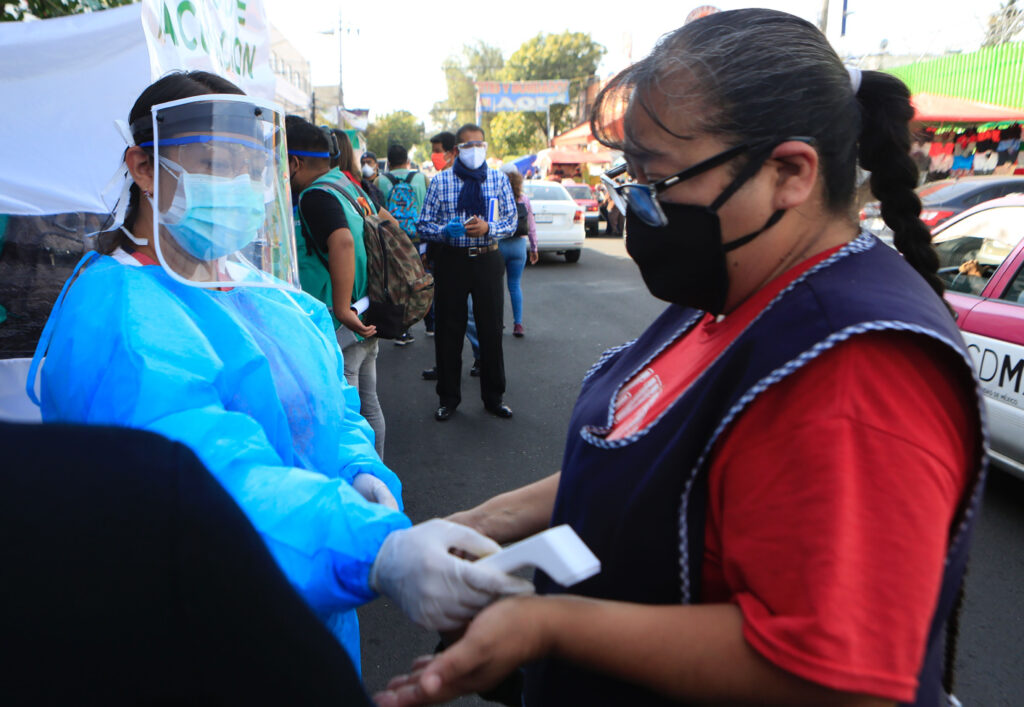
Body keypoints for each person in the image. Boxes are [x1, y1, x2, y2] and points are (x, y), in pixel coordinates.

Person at [376, 10, 986, 707]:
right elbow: (645, 455)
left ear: (789, 172)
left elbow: (835, 677)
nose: (638, 205)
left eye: (656, 181)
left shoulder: (857, 368)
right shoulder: (734, 289)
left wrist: (548, 623)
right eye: (627, 176)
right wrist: (479, 524)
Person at [28, 71, 531, 671]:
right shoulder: (119, 315)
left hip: (306, 626)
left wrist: (359, 469)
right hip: (205, 649)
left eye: (249, 168)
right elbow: (204, 485)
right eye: (214, 161)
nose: (238, 186)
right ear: (141, 166)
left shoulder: (259, 291)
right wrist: (372, 549)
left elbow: (330, 404)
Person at [1, 420, 372, 705]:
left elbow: (329, 396)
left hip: (316, 603)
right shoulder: (131, 327)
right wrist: (367, 538)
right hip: (213, 619)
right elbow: (200, 478)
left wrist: (358, 465)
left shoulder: (297, 315)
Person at [287, 115, 386, 459]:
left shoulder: (314, 196)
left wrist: (342, 308)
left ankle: (363, 484)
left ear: (294, 162)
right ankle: (378, 471)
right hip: (367, 307)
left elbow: (342, 242)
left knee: (347, 415)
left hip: (341, 321)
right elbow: (385, 221)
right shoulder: (346, 182)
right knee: (368, 404)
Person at [416, 123, 517, 422]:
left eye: (480, 145)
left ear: (485, 147)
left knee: (491, 330)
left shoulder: (498, 180)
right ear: (457, 150)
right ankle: (448, 398)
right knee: (449, 331)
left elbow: (512, 220)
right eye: (469, 146)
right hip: (452, 260)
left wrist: (490, 228)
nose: (475, 151)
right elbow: (423, 225)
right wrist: (444, 232)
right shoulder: (441, 181)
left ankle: (494, 397)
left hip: (487, 259)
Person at [378, 143, 430, 347]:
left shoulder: (380, 180)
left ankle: (402, 330)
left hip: (391, 238)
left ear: (388, 162)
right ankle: (431, 323)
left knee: (397, 283)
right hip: (417, 237)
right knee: (421, 278)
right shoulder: (420, 178)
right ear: (408, 160)